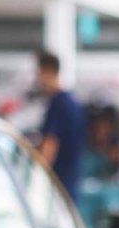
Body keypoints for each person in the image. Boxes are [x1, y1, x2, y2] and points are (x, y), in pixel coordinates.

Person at [34, 50, 87, 200]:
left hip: (59, 186)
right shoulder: (72, 101)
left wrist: (35, 178)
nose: (37, 78)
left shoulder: (58, 104)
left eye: (38, 73)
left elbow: (49, 147)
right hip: (71, 183)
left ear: (47, 71)